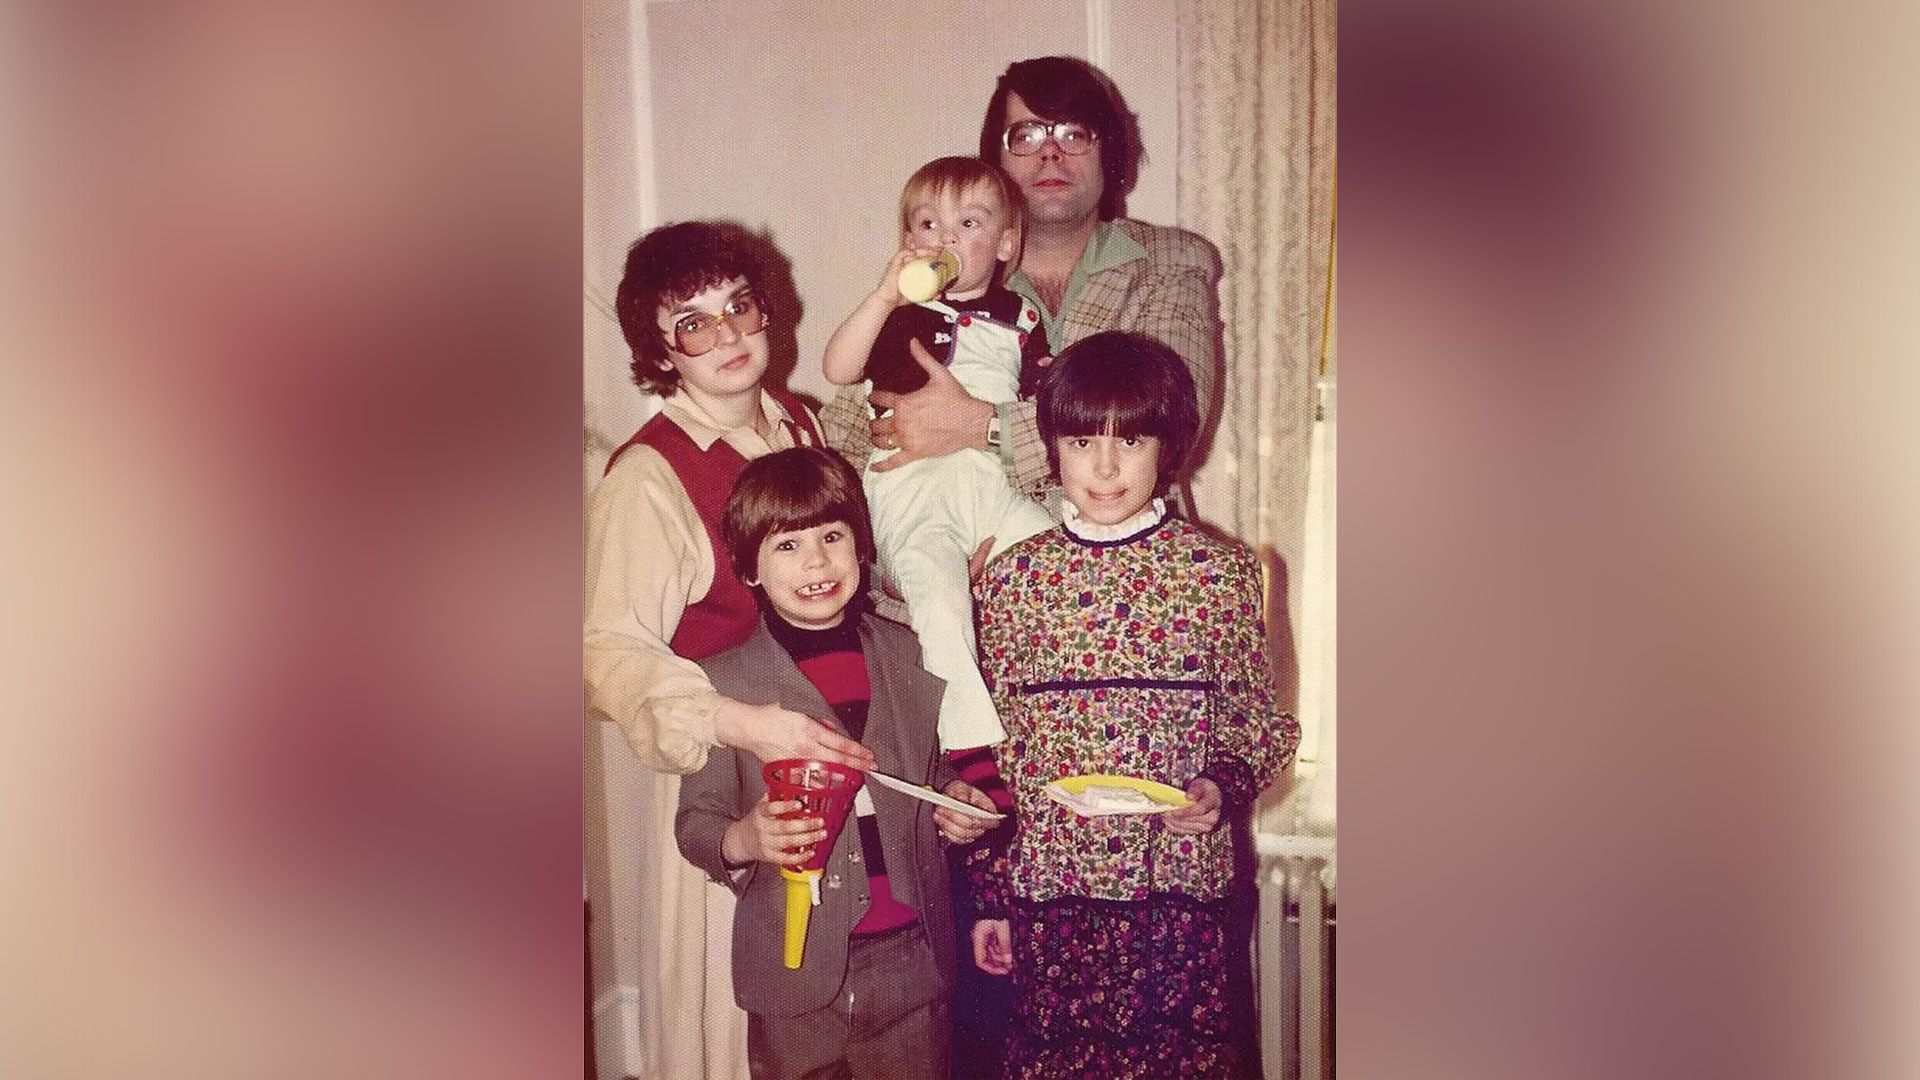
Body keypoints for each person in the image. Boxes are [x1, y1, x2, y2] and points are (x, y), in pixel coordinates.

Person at [969, 332, 1300, 1078]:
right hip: (1052, 893)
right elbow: (995, 749)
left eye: (1132, 440)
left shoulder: (1216, 574)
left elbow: (1257, 720)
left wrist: (1222, 784)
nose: (1107, 467)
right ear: (1053, 448)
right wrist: (993, 892)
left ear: (1169, 447)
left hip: (1174, 894)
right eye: (1083, 441)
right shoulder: (1014, 579)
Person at [676, 446, 1001, 1080]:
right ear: (748, 568)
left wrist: (956, 799)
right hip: (793, 968)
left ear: (861, 547)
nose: (817, 561)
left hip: (913, 957)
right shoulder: (721, 685)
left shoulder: (909, 654)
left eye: (832, 536)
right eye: (787, 546)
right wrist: (746, 836)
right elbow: (696, 824)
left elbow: (928, 775)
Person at [818, 55, 1224, 514]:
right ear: (996, 162)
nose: (1050, 154)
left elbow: (1170, 418)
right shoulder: (935, 275)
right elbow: (847, 433)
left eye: (1073, 134)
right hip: (938, 547)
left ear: (1108, 152)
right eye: (1026, 136)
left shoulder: (1170, 261)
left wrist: (987, 427)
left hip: (1121, 560)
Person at [586, 220, 874, 775]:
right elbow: (606, 650)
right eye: (694, 324)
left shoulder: (802, 422)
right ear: (663, 353)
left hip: (834, 719)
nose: (728, 336)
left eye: (739, 307)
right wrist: (738, 724)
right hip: (730, 769)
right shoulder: (647, 476)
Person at [821, 155, 1055, 761]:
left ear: (1006, 244)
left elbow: (1041, 405)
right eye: (929, 225)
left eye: (970, 224)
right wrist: (882, 294)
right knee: (938, 603)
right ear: (907, 243)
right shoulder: (896, 317)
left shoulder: (1024, 318)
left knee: (1062, 557)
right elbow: (839, 370)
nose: (947, 239)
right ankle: (969, 747)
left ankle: (1081, 697)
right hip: (914, 488)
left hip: (992, 483)